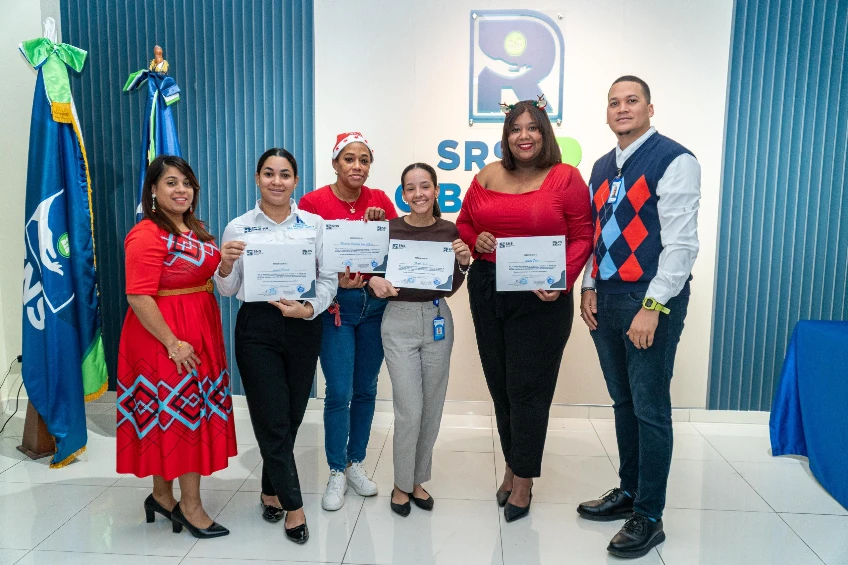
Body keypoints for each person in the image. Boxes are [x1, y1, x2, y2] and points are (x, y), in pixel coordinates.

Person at [576, 76, 700, 559]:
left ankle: (649, 515)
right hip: (606, 299)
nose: (622, 108)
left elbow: (682, 244)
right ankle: (629, 491)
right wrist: (588, 286)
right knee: (623, 402)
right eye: (614, 102)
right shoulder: (602, 165)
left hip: (648, 302)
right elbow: (598, 232)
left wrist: (654, 306)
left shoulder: (675, 159)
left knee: (650, 408)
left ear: (650, 108)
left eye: (632, 101)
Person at [456, 99, 594, 522]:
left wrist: (562, 279)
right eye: (516, 128)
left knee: (528, 389)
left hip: (540, 297)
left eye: (532, 127)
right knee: (500, 385)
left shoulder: (566, 177)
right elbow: (464, 223)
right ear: (506, 135)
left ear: (545, 132)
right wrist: (476, 238)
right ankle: (513, 463)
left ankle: (524, 480)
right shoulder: (486, 175)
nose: (524, 135)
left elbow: (583, 234)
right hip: (487, 289)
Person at [214, 148, 336, 544]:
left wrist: (308, 309)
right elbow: (228, 289)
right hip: (257, 326)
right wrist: (225, 266)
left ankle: (270, 489)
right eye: (269, 173)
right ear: (257, 178)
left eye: (285, 174)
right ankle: (294, 507)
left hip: (303, 323)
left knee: (292, 415)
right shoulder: (238, 227)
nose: (277, 181)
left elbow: (328, 279)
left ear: (295, 181)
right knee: (272, 417)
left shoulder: (314, 225)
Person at [116, 155, 236, 539]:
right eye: (171, 182)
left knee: (175, 416)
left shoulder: (196, 228)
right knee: (180, 417)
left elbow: (207, 275)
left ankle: (161, 496)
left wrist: (226, 263)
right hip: (164, 337)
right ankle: (191, 507)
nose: (181, 190)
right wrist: (173, 343)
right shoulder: (146, 234)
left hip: (199, 329)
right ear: (153, 189)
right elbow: (138, 296)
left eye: (187, 183)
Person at [298, 132, 398, 511]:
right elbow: (304, 256)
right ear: (335, 163)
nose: (357, 166)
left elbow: (395, 253)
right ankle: (336, 469)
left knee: (366, 389)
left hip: (374, 309)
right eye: (349, 159)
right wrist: (333, 277)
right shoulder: (313, 203)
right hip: (336, 308)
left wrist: (382, 226)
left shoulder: (380, 200)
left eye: (364, 160)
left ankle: (356, 463)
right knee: (339, 392)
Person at [367, 163, 471, 517]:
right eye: (410, 188)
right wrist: (372, 281)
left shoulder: (449, 230)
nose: (418, 194)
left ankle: (417, 479)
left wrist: (463, 263)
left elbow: (450, 286)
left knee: (432, 406)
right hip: (398, 320)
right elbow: (370, 271)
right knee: (409, 408)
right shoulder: (389, 228)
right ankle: (400, 483)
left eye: (425, 186)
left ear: (436, 190)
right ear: (403, 194)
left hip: (438, 317)